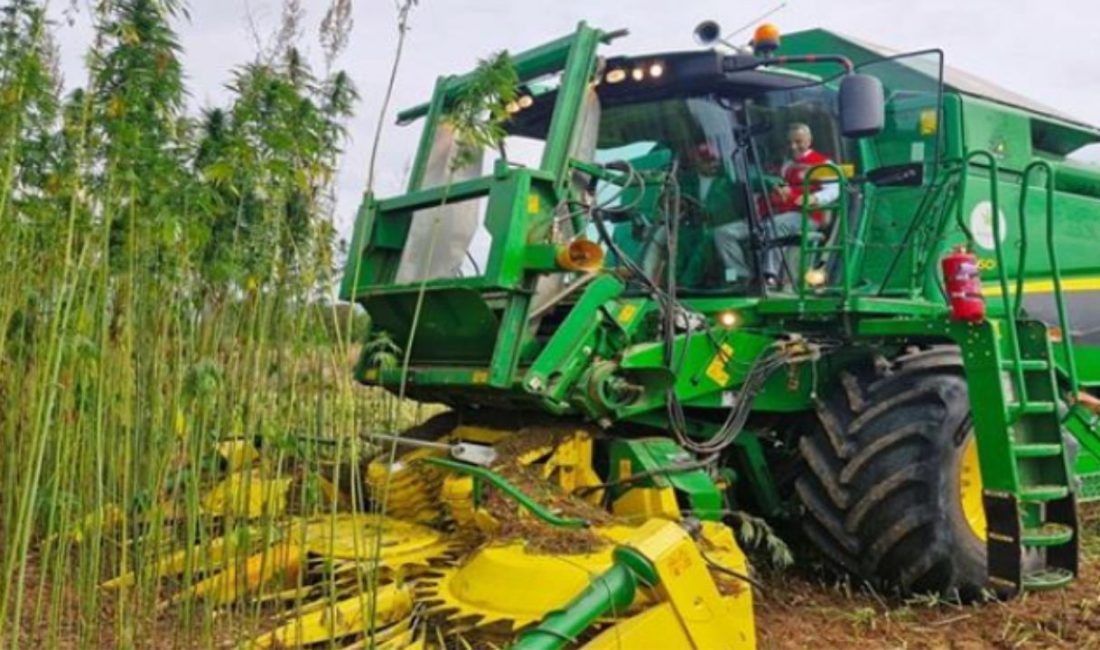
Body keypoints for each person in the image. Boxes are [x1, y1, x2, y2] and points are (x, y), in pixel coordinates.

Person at [712, 122, 838, 286]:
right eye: (789, 142)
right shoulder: (778, 165)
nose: (793, 146)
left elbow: (834, 189)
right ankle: (740, 276)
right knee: (723, 233)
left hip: (803, 215)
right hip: (769, 214)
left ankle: (769, 275)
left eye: (798, 141)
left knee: (773, 226)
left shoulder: (821, 163)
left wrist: (814, 199)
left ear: (809, 140)